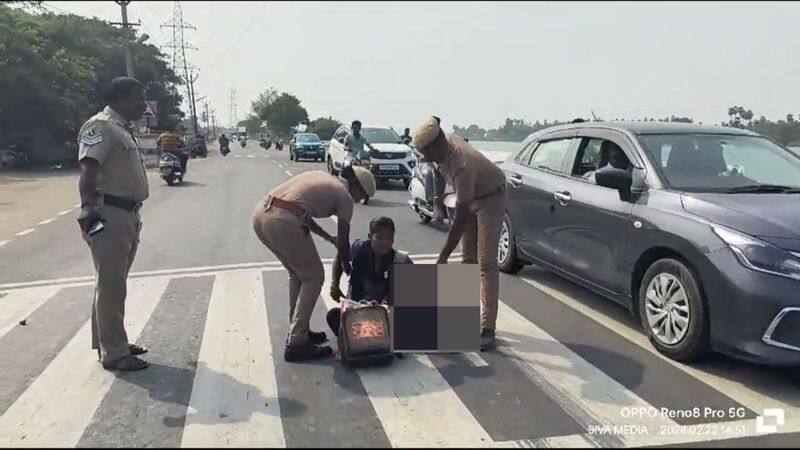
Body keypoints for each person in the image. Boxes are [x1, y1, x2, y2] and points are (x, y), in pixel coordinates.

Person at [252, 166, 377, 362]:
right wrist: (346, 265)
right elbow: (344, 242)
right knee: (314, 276)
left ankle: (298, 329)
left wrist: (328, 237)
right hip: (282, 220)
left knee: (298, 274)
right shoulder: (344, 196)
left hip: (261, 214)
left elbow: (302, 215)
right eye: (362, 195)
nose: (360, 200)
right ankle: (297, 342)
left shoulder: (323, 178)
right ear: (356, 185)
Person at [412, 116, 508, 351]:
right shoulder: (441, 146)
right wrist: (436, 202)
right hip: (471, 196)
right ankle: (461, 321)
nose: (423, 157)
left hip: (490, 198)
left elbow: (461, 217)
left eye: (425, 152)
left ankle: (488, 330)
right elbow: (436, 171)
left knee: (486, 263)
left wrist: (444, 255)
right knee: (467, 261)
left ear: (436, 145)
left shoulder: (461, 163)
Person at [76, 77, 150, 371]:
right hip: (109, 213)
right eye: (138, 98)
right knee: (111, 284)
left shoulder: (121, 129)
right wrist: (88, 208)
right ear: (119, 97)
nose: (143, 105)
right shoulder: (101, 126)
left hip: (127, 213)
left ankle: (110, 342)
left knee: (112, 282)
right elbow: (89, 168)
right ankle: (115, 353)